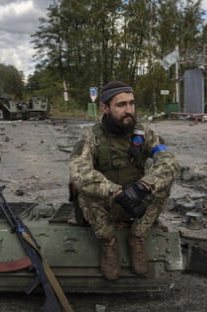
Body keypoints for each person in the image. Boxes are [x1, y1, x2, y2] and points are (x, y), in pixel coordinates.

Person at [69, 81, 179, 280]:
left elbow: (168, 162)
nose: (129, 110)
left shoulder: (145, 134)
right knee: (83, 187)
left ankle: (137, 238)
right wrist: (115, 192)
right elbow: (79, 171)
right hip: (106, 204)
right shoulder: (91, 138)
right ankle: (109, 242)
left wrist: (143, 187)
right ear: (105, 108)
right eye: (121, 105)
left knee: (165, 181)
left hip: (136, 201)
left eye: (131, 103)